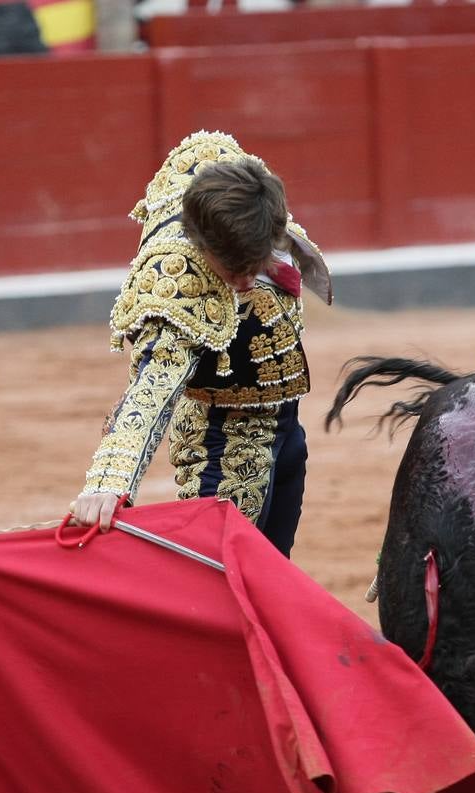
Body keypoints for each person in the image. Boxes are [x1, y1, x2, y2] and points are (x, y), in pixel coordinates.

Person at [70, 130, 333, 557]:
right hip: (226, 440)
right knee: (225, 586)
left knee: (271, 575)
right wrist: (108, 483)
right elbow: (150, 391)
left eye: (257, 261)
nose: (247, 280)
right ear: (203, 244)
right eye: (233, 269)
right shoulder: (177, 284)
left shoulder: (246, 195)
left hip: (286, 422)